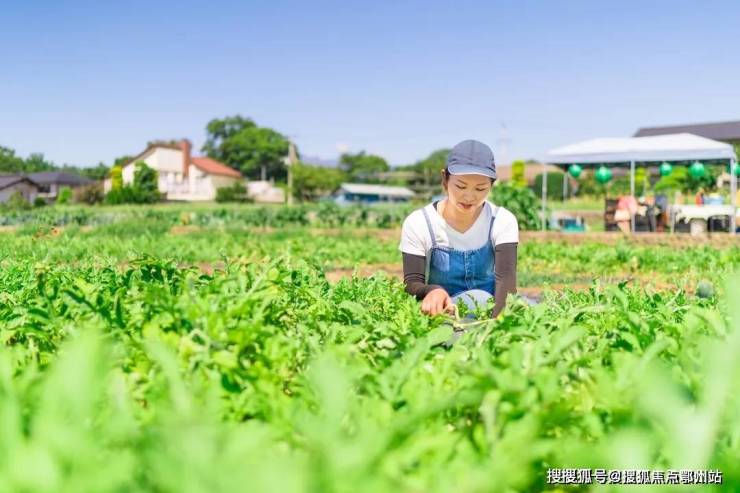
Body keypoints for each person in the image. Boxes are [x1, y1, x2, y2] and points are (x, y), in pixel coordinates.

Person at [398, 140, 519, 319]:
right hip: (442, 311)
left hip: (491, 307)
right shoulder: (419, 222)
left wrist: (496, 329)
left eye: (480, 188)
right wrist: (433, 290)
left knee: (528, 309)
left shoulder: (502, 220)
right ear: (444, 180)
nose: (469, 196)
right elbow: (411, 284)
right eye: (460, 186)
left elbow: (506, 282)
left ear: (492, 185)